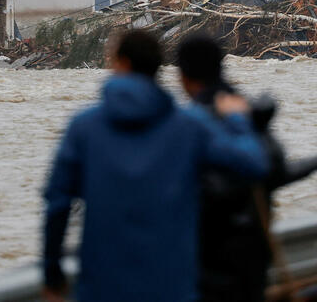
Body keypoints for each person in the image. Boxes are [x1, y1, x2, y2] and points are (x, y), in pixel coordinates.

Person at [41, 29, 269, 302]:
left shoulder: (83, 127)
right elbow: (254, 163)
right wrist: (237, 120)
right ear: (160, 68)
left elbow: (57, 204)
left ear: (122, 63)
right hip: (172, 288)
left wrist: (52, 276)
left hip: (101, 288)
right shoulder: (190, 126)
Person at [176, 36, 286, 302]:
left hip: (209, 258)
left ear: (184, 76)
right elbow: (276, 164)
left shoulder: (192, 121)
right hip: (253, 253)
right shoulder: (242, 107)